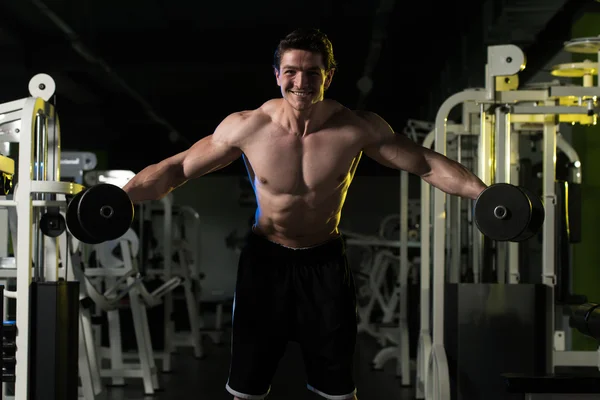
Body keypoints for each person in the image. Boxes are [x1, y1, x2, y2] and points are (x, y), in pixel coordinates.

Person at [123, 28, 487, 400]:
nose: (302, 82)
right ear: (277, 74)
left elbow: (425, 164)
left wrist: (485, 195)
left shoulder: (356, 128)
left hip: (325, 263)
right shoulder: (248, 127)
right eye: (292, 71)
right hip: (264, 263)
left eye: (313, 72)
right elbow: (179, 168)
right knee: (246, 388)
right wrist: (120, 199)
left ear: (328, 76)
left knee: (339, 390)